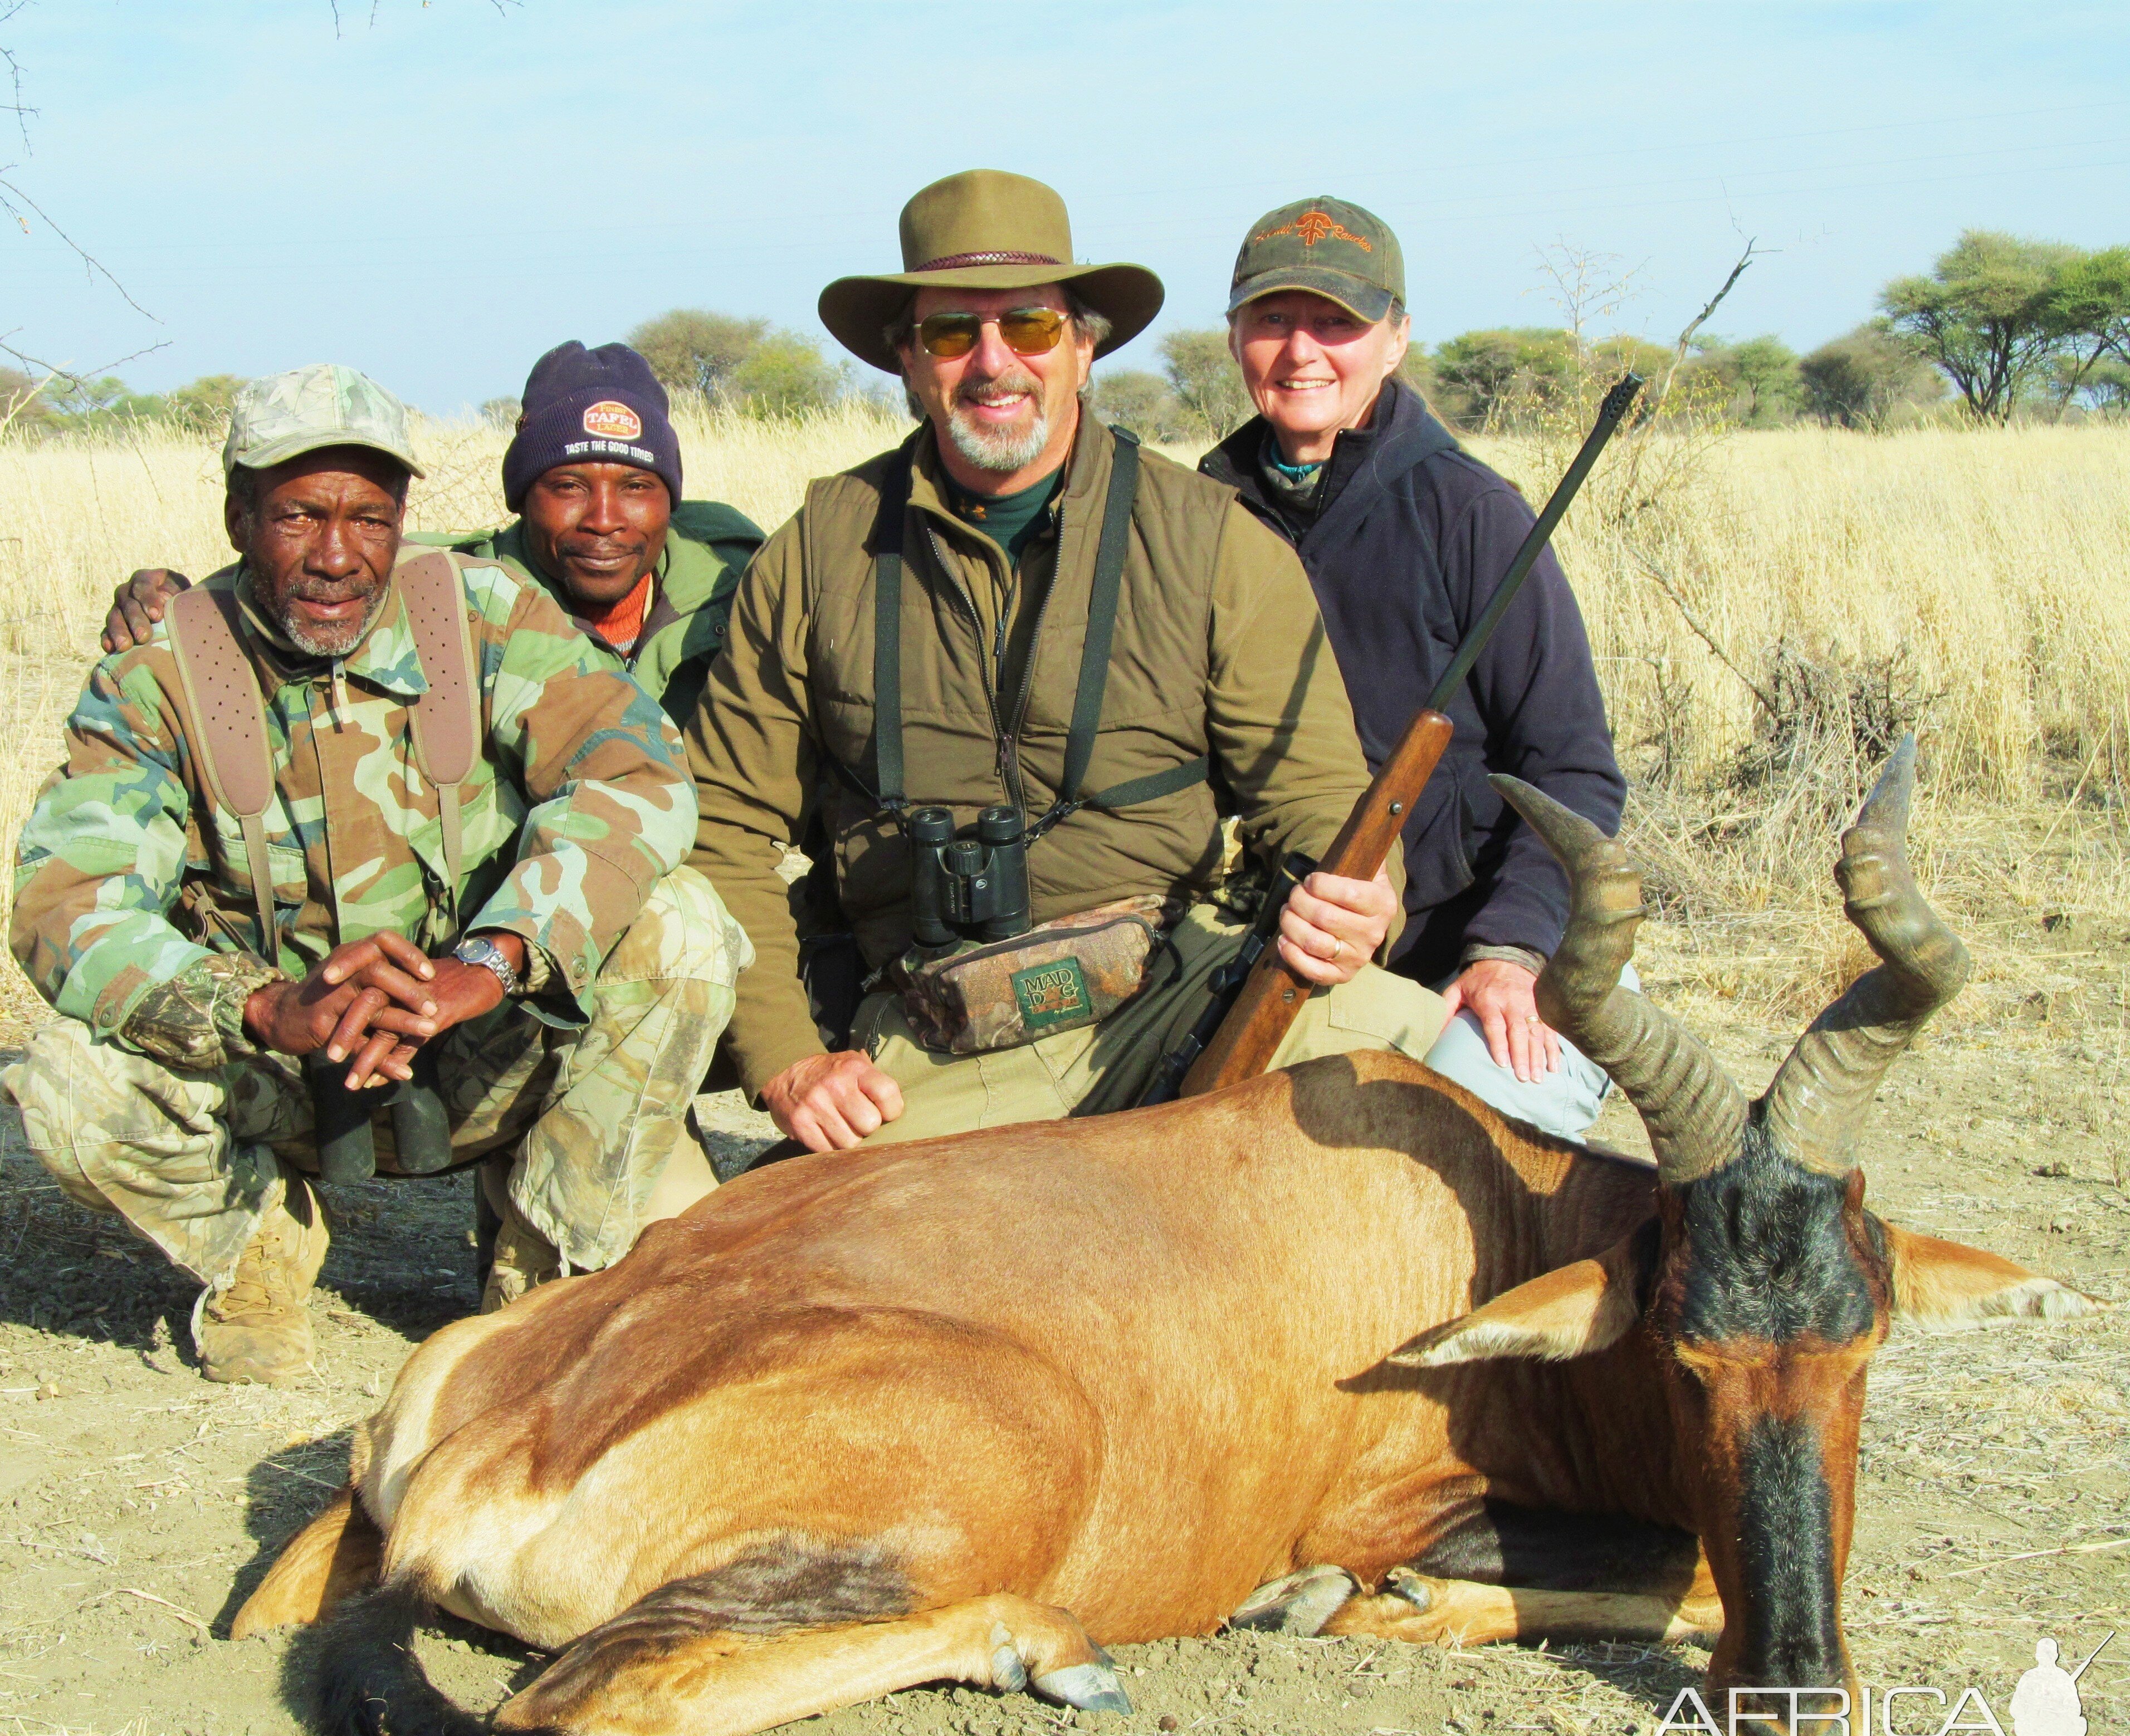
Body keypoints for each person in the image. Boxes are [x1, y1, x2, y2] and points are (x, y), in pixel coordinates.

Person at [0, 364, 747, 1385]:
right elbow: (65, 902)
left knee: (685, 926)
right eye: (299, 517)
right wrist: (260, 1009)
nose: (338, 556)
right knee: (69, 1080)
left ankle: (544, 1254)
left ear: (403, 520)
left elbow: (637, 774)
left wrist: (493, 960)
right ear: (237, 517)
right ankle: (256, 1244)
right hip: (278, 1071)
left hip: (480, 1041)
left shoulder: (483, 614)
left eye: (371, 519)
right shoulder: (157, 676)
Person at [687, 169, 1451, 1155]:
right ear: (909, 360)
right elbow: (725, 832)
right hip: (933, 1044)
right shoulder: (815, 553)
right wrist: (790, 1062)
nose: (993, 363)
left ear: (1085, 348)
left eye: (1032, 328)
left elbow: (1323, 806)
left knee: (1448, 1071)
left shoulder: (1215, 542)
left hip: (1186, 996)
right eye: (955, 331)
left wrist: (1360, 904)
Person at [1196, 195, 1629, 1141]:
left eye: (1336, 322)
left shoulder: (1472, 515)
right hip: (1277, 952)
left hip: (1478, 951)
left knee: (1453, 1156)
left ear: (1395, 339)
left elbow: (1574, 768)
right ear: (1234, 338)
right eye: (1273, 319)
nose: (1301, 350)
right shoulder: (1196, 518)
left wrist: (1512, 948)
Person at [104, 342, 764, 729]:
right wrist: (182, 604)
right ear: (522, 497)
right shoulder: (451, 594)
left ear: (671, 501)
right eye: (566, 487)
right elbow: (318, 573)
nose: (604, 518)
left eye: (638, 487)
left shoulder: (739, 580)